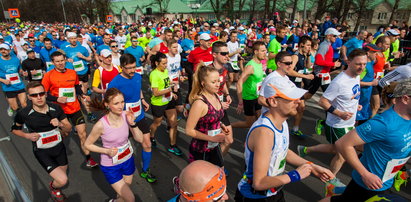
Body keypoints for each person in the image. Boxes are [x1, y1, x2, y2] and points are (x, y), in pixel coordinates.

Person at [235, 73, 334, 201]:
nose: (298, 101)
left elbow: (282, 151)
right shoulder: (264, 132)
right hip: (254, 197)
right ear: (273, 101)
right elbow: (258, 183)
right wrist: (296, 175)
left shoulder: (282, 122)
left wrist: (311, 165)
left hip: (274, 190)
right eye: (291, 98)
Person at [320, 78, 411, 202]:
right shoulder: (383, 124)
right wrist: (365, 174)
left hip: (386, 181)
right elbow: (342, 144)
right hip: (368, 184)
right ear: (405, 99)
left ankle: (336, 191)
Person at [297, 49, 367, 194]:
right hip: (337, 124)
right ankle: (330, 183)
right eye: (358, 64)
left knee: (335, 149)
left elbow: (349, 95)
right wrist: (339, 113)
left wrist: (355, 104)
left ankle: (305, 150)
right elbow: (323, 101)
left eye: (364, 64)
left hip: (349, 122)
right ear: (348, 62)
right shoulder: (340, 81)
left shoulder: (356, 76)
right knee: (342, 154)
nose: (362, 67)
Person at [11, 82, 72, 202]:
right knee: (63, 180)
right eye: (34, 95)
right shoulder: (24, 113)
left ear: (45, 94)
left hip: (59, 148)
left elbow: (69, 128)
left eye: (41, 94)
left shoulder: (56, 108)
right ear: (29, 97)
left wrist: (60, 124)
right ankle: (54, 188)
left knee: (62, 175)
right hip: (42, 151)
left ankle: (55, 187)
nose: (38, 97)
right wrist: (27, 135)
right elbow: (14, 130)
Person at [84, 88, 143, 202]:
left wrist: (133, 123)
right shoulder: (101, 125)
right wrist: (106, 151)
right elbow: (88, 144)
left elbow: (140, 139)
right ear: (107, 105)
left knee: (123, 194)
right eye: (116, 103)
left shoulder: (127, 115)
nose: (121, 106)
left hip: (127, 159)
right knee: (130, 198)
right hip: (111, 165)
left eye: (122, 102)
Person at [42, 51, 98, 168]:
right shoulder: (49, 75)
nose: (60, 63)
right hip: (60, 111)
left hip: (75, 108)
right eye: (57, 61)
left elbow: (76, 86)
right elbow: (44, 94)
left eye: (62, 60)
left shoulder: (72, 73)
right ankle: (56, 152)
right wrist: (57, 99)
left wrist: (82, 95)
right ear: (53, 62)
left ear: (65, 59)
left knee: (83, 134)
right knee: (65, 134)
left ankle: (89, 159)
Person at [107, 53, 155, 183]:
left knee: (147, 144)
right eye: (129, 68)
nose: (132, 70)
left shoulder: (137, 76)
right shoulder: (115, 83)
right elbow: (109, 103)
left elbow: (138, 90)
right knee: (121, 150)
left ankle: (145, 170)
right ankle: (118, 173)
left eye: (134, 67)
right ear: (122, 67)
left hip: (139, 117)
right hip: (123, 121)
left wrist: (142, 99)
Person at [185, 63, 228, 167]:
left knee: (219, 175)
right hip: (201, 150)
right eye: (213, 82)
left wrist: (221, 125)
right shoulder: (199, 103)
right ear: (203, 83)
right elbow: (189, 130)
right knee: (199, 182)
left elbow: (212, 118)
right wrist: (212, 138)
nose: (218, 84)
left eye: (218, 80)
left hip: (214, 146)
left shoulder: (216, 95)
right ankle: (179, 182)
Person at [149, 52, 182, 155]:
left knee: (174, 124)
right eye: (163, 63)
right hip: (158, 103)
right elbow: (156, 92)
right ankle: (151, 136)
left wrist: (172, 92)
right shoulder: (154, 74)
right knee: (157, 123)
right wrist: (170, 90)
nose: (165, 65)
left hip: (168, 101)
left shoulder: (165, 71)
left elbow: (166, 84)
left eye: (166, 63)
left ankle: (172, 146)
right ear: (156, 63)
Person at [232, 41, 266, 128]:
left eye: (265, 50)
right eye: (262, 51)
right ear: (255, 52)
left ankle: (257, 138)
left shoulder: (260, 63)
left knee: (260, 119)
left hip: (257, 96)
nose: (265, 52)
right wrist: (240, 102)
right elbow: (239, 83)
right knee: (249, 123)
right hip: (249, 98)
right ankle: (228, 127)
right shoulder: (251, 66)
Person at [288, 36, 315, 137]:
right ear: (301, 45)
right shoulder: (295, 56)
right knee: (290, 109)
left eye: (310, 46)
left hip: (298, 85)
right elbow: (289, 71)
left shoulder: (303, 55)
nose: (309, 47)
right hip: (291, 85)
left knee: (301, 107)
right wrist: (304, 76)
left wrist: (308, 55)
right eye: (308, 45)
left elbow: (308, 66)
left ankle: (295, 129)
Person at [356, 44, 381, 124]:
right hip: (361, 95)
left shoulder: (371, 62)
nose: (376, 54)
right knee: (356, 118)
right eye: (374, 52)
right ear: (368, 53)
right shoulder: (364, 66)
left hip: (367, 95)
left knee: (364, 115)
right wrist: (371, 83)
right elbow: (356, 82)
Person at [0, 43, 27, 117]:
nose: (3, 51)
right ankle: (13, 108)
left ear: (9, 50)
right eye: (1, 49)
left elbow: (19, 70)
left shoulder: (16, 59)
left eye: (5, 49)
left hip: (19, 84)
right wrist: (3, 80)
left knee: (24, 104)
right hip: (8, 87)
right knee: (15, 107)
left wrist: (22, 72)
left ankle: (26, 120)